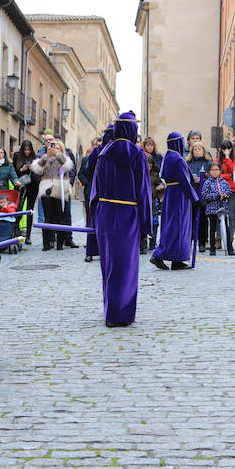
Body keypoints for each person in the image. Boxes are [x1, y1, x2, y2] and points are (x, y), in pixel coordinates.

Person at [90, 112, 152, 327]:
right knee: (126, 265)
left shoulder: (103, 152)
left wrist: (94, 216)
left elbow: (95, 189)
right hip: (128, 213)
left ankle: (110, 311)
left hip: (106, 212)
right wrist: (147, 222)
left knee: (109, 263)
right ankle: (122, 314)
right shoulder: (137, 154)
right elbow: (143, 190)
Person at [151, 132, 198, 270]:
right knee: (178, 227)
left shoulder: (168, 156)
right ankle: (159, 256)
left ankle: (177, 259)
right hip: (179, 196)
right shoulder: (177, 158)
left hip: (171, 194)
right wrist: (195, 198)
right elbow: (184, 181)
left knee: (173, 226)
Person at [32, 139, 74, 251]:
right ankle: (47, 243)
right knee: (48, 217)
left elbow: (68, 166)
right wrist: (46, 156)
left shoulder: (65, 158)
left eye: (57, 147)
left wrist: (58, 155)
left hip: (60, 190)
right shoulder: (44, 158)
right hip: (47, 189)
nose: (54, 149)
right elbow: (37, 169)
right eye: (52, 147)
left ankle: (60, 243)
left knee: (61, 217)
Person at [83, 126, 113, 262]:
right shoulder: (97, 151)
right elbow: (88, 169)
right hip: (98, 190)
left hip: (112, 191)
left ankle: (108, 250)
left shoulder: (117, 150)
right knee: (94, 221)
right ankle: (91, 250)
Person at [201, 161, 234, 256]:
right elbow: (205, 195)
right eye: (213, 170)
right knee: (212, 229)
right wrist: (217, 195)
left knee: (226, 229)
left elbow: (229, 191)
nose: (215, 172)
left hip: (223, 209)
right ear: (209, 171)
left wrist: (225, 195)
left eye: (217, 170)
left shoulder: (223, 182)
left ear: (220, 171)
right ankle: (212, 248)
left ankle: (229, 248)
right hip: (212, 209)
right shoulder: (207, 183)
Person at [186, 142, 212, 252]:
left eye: (199, 149)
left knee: (202, 219)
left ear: (203, 151)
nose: (197, 151)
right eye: (195, 149)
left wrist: (202, 180)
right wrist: (193, 179)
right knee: (190, 219)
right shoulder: (188, 162)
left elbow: (211, 177)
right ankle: (189, 241)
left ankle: (202, 242)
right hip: (191, 194)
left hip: (203, 194)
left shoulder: (208, 163)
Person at [13, 140, 39, 245]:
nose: (27, 152)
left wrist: (33, 168)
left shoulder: (35, 158)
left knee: (30, 211)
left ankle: (28, 236)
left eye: (28, 149)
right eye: (25, 150)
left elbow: (38, 173)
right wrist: (22, 169)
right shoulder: (17, 156)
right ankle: (16, 231)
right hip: (21, 186)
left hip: (32, 186)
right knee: (18, 209)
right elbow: (14, 172)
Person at [218, 140, 235, 249]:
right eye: (224, 149)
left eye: (228, 148)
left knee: (231, 215)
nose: (226, 151)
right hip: (220, 191)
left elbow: (234, 171)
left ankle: (230, 238)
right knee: (219, 214)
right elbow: (218, 175)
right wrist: (228, 176)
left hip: (233, 191)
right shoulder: (217, 161)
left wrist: (227, 159)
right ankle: (219, 238)